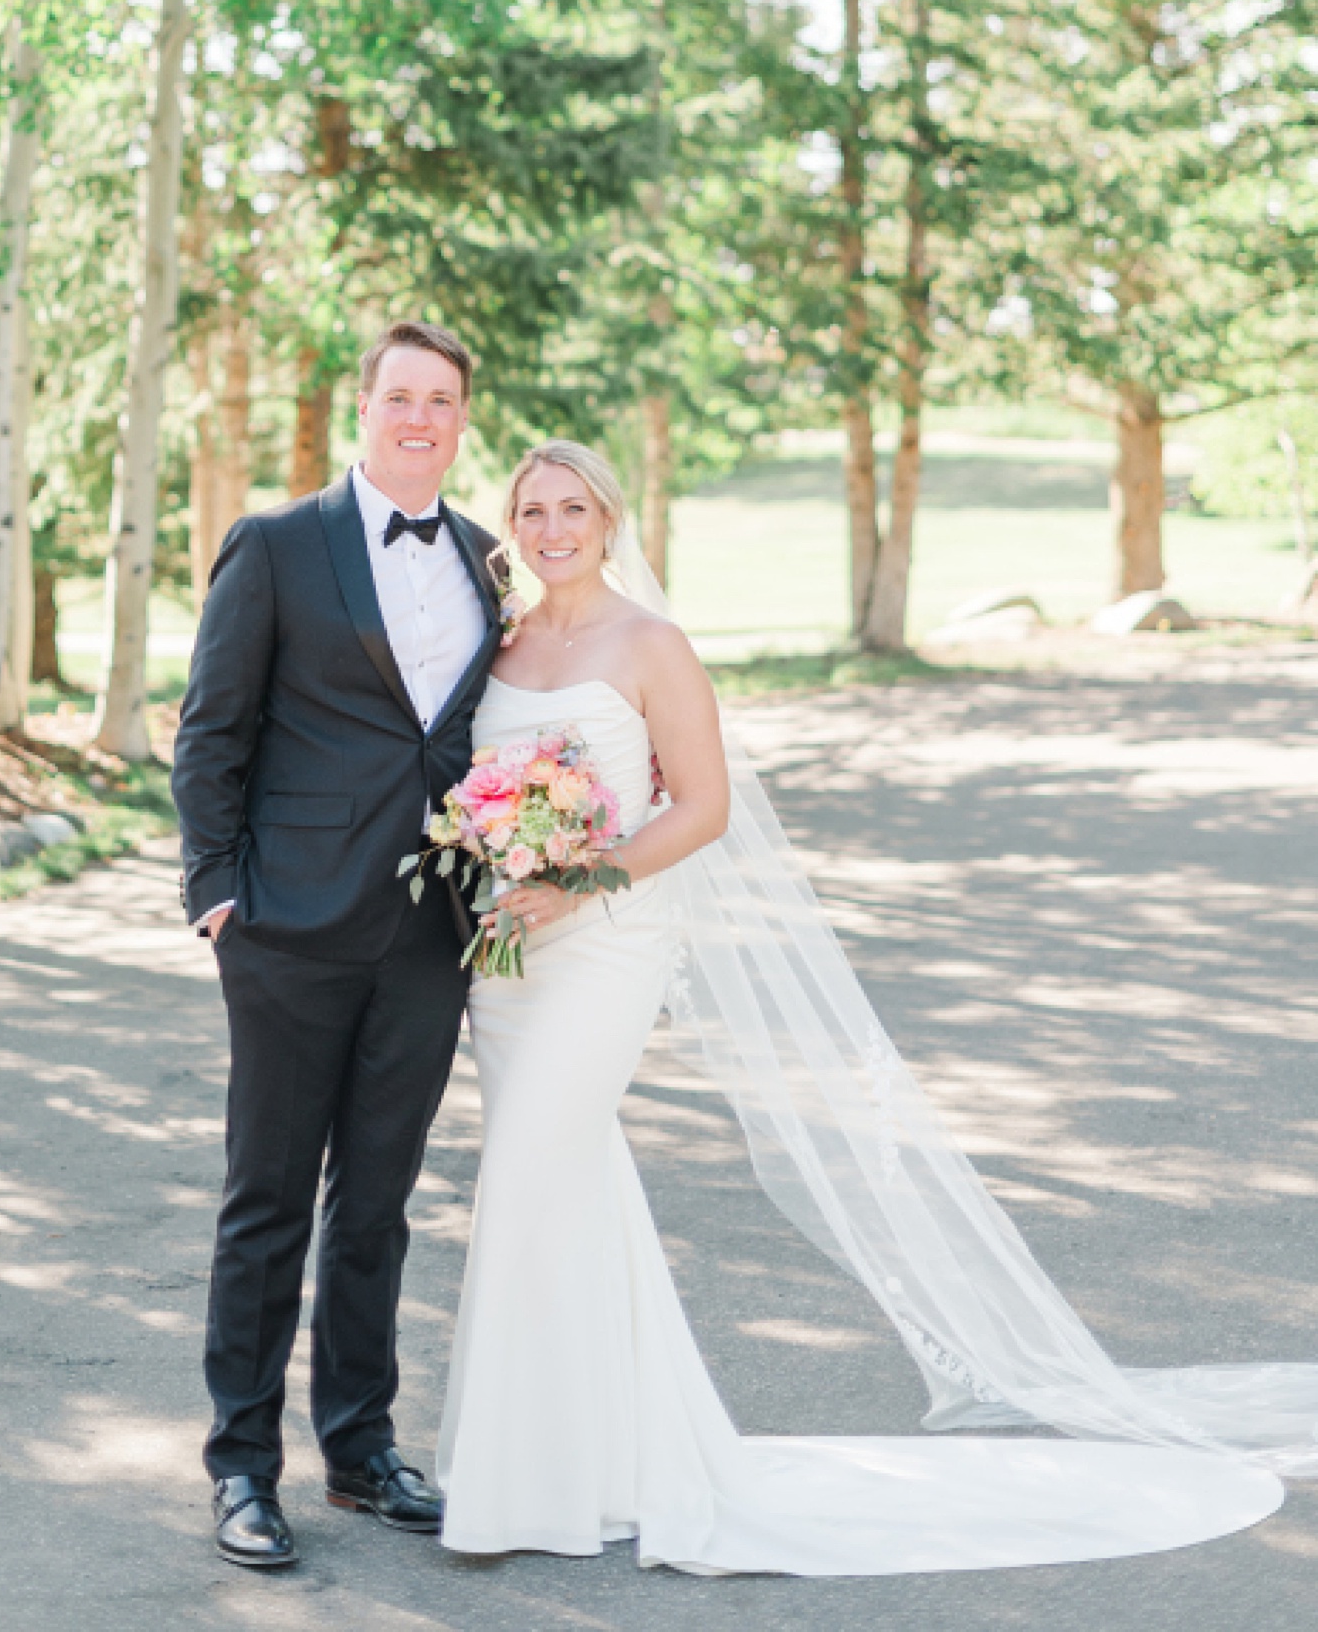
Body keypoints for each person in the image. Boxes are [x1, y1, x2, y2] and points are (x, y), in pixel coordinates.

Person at [436, 440, 1312, 1576]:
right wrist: (505, 865)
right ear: (512, 523)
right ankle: (595, 1459)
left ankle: (516, 1486)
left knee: (523, 1175)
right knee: (569, 1186)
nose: (552, 527)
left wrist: (577, 881)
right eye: (531, 509)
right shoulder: (500, 644)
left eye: (572, 508)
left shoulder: (650, 643)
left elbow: (699, 808)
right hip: (509, 956)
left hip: (605, 939)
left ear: (608, 519)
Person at [173, 320, 503, 1571]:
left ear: (461, 417)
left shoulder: (488, 559)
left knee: (375, 1203)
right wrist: (215, 895)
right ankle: (241, 1468)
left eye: (443, 399)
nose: (420, 416)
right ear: (360, 408)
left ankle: (360, 1447)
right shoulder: (274, 545)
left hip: (430, 934)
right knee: (264, 1203)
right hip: (287, 928)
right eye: (400, 395)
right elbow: (210, 732)